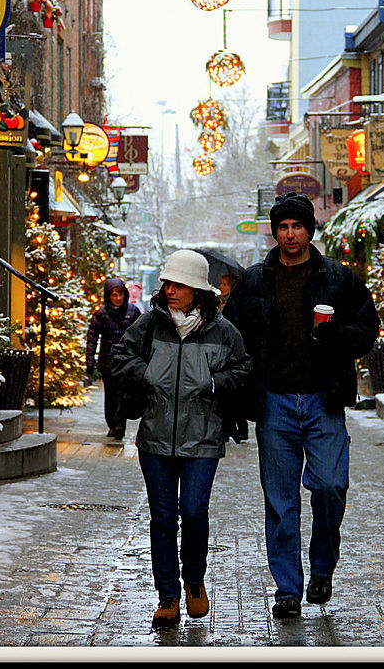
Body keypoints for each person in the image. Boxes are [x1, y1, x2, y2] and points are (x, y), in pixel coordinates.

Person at [223, 191, 380, 619]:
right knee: (280, 499)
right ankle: (287, 588)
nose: (291, 234)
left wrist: (337, 338)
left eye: (298, 226)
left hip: (323, 400)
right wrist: (235, 402)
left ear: (310, 230)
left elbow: (367, 328)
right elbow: (231, 342)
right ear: (275, 232)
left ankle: (323, 569)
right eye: (283, 227)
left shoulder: (337, 277)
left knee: (330, 486)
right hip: (273, 403)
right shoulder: (254, 280)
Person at [110, 249, 252, 629]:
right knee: (161, 516)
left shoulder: (223, 331)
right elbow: (119, 357)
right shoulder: (149, 325)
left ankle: (194, 580)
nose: (170, 290)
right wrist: (147, 373)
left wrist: (214, 382)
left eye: (180, 285)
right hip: (156, 438)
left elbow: (244, 371)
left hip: (203, 440)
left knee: (193, 511)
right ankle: (167, 596)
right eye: (168, 284)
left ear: (197, 291)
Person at [86, 277, 141, 440]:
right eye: (114, 295)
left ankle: (119, 426)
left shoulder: (133, 312)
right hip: (108, 362)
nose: (118, 298)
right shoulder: (101, 313)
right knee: (111, 395)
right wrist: (90, 362)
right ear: (108, 296)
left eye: (120, 294)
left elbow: (141, 335)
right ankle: (112, 424)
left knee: (123, 394)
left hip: (127, 361)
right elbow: (92, 338)